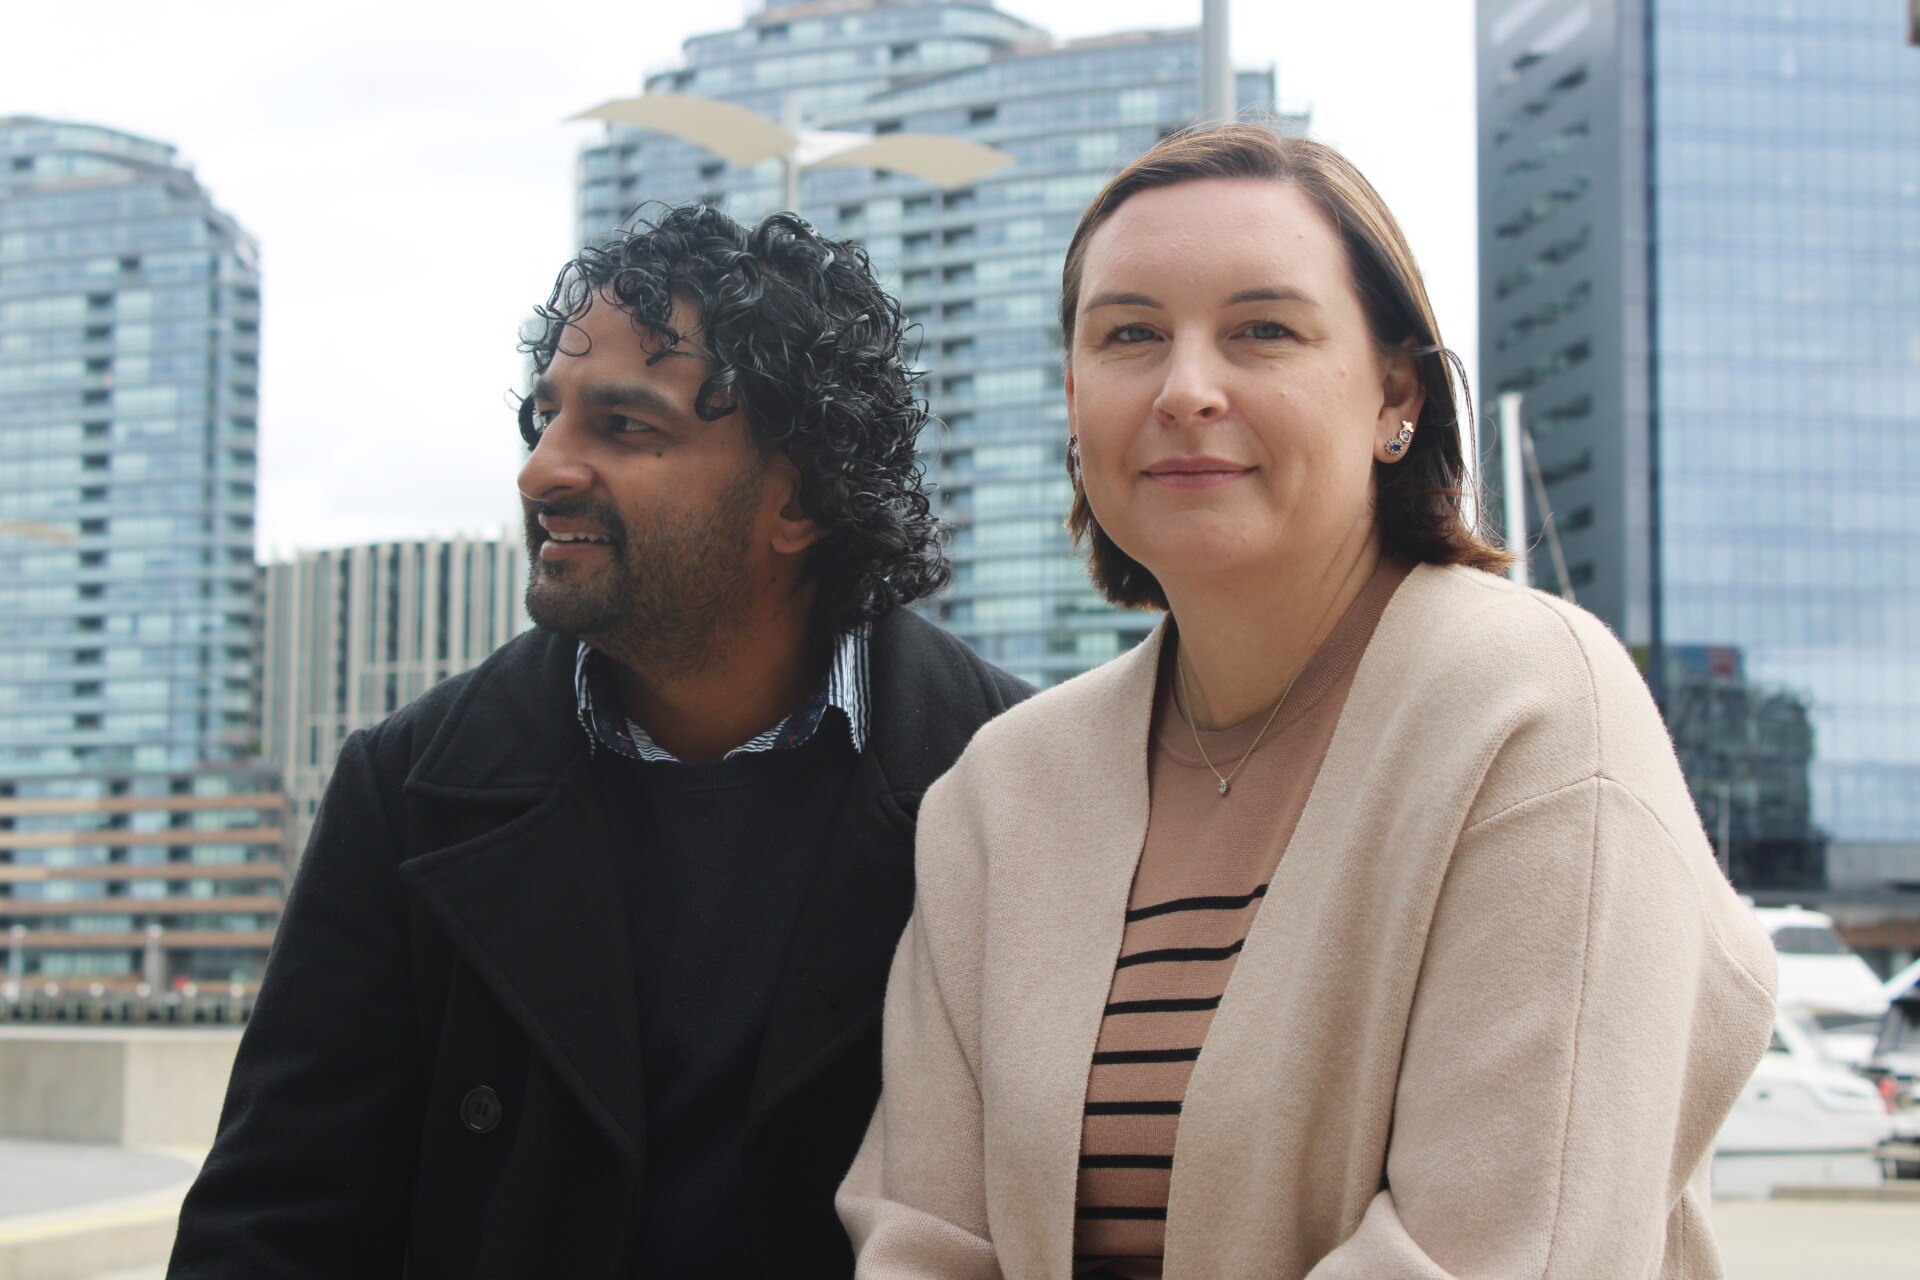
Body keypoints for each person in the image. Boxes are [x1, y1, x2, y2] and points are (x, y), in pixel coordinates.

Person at [838, 127, 1777, 1278]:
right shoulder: (1004, 785)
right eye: (1131, 334)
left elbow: (1505, 1250)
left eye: (1262, 330)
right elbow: (924, 1238)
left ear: (1396, 396)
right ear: (1075, 401)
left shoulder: (1532, 710)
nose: (1187, 388)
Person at [168, 203, 1030, 1279]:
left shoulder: (1014, 788)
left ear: (800, 495)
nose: (542, 470)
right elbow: (269, 1230)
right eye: (545, 418)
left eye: (623, 427)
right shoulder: (407, 785)